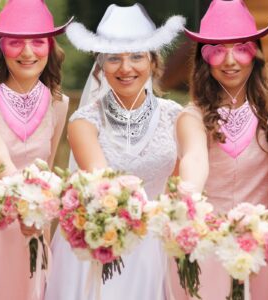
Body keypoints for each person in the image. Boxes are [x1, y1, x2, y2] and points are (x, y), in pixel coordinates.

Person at [45, 3, 185, 300]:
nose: (126, 68)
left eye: (136, 57)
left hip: (158, 247)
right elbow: (101, 181)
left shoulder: (175, 117)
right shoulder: (84, 122)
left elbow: (180, 184)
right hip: (103, 238)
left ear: (152, 61)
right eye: (114, 59)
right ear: (100, 66)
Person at [176, 0, 268, 299]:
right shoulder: (191, 117)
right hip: (208, 245)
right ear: (204, 59)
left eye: (241, 48)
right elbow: (195, 160)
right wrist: (188, 203)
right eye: (218, 49)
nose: (230, 61)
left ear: (255, 54)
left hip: (263, 248)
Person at [0, 0, 72, 299]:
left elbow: (46, 170)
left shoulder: (59, 103)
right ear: (0, 47)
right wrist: (28, 207)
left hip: (32, 235)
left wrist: (43, 239)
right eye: (16, 43)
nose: (28, 53)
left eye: (38, 42)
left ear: (50, 46)